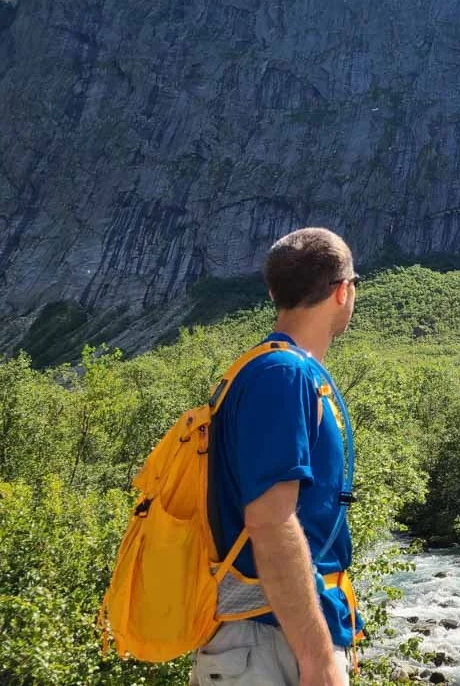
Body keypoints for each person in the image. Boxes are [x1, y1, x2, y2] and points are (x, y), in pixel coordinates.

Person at [190, 227, 360, 686]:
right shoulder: (282, 375)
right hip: (268, 646)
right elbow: (270, 520)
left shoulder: (279, 370)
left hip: (267, 642)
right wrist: (318, 658)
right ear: (342, 291)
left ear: (273, 291)